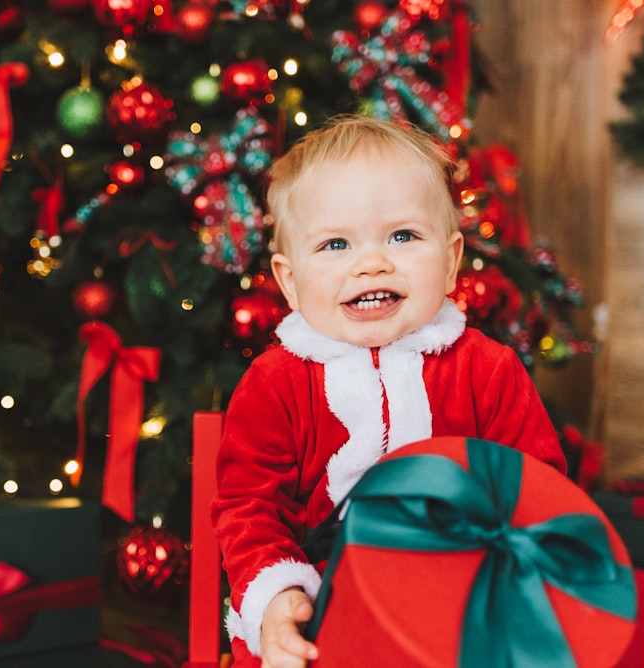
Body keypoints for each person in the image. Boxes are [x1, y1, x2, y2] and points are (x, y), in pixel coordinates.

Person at [211, 115, 567, 668]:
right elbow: (251, 510)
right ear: (288, 281)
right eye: (335, 244)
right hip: (323, 619)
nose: (372, 262)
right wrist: (279, 598)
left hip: (461, 611)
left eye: (403, 236)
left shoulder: (487, 371)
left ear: (450, 262)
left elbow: (538, 495)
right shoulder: (275, 382)